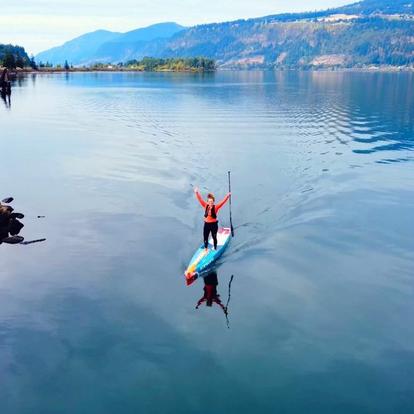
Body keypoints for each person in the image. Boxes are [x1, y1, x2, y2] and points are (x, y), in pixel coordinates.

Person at [194, 186, 231, 252]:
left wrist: (227, 196)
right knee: (205, 237)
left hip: (213, 225)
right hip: (206, 225)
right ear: (207, 202)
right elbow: (200, 199)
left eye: (211, 201)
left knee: (214, 237)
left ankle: (215, 248)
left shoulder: (216, 207)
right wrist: (196, 192)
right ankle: (205, 249)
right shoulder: (205, 206)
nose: (210, 203)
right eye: (209, 201)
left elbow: (222, 202)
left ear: (213, 202)